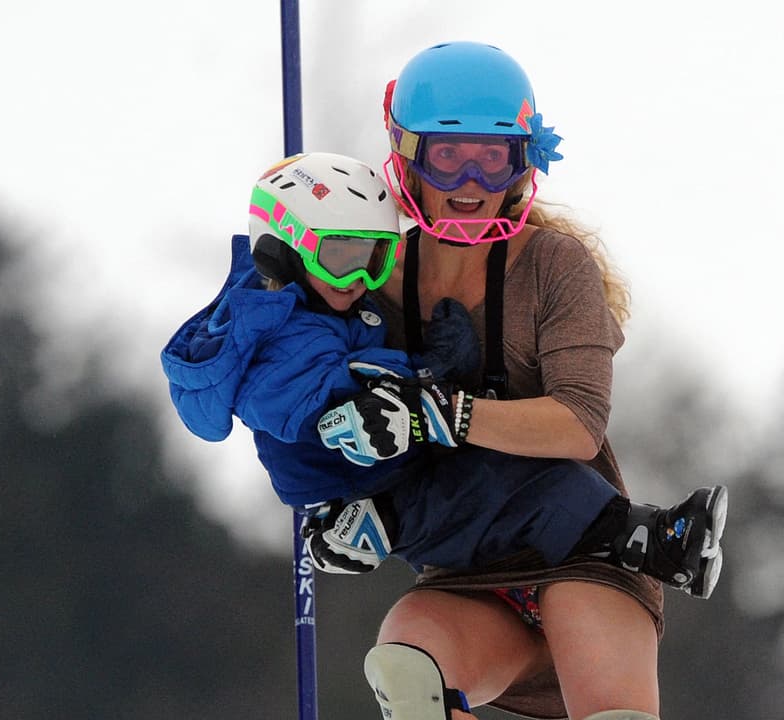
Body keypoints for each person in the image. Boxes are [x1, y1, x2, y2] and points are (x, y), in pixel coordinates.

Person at [313, 41, 723, 720]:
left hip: (583, 553)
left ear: (522, 160)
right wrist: (338, 507)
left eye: (493, 154)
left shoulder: (554, 266)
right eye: (449, 154)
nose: (471, 176)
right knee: (406, 673)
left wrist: (446, 413)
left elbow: (577, 421)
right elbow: (325, 400)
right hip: (466, 571)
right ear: (407, 154)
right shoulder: (376, 272)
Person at [160, 152, 725, 599]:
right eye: (340, 257)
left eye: (375, 257)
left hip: (392, 467)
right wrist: (432, 370)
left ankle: (638, 541)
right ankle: (649, 541)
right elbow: (333, 398)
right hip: (366, 490)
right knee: (509, 485)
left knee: (512, 469)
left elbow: (374, 381)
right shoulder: (270, 340)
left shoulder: (318, 307)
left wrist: (431, 370)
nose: (358, 277)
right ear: (283, 250)